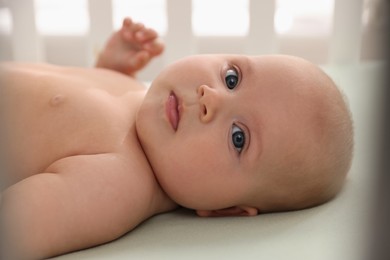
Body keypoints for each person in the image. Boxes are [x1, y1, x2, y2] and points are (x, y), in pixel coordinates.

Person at [0, 17, 353, 259]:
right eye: (232, 78)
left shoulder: (117, 182)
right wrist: (112, 70)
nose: (210, 98)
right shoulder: (146, 97)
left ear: (224, 210)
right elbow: (72, 113)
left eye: (238, 138)